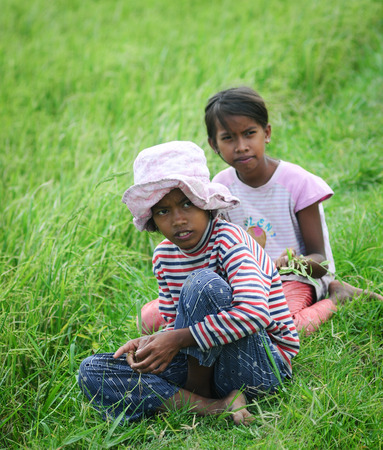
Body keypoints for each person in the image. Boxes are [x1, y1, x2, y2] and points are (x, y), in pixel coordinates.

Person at [78, 141, 300, 425]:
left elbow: (255, 313)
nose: (178, 220)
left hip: (260, 364)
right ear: (153, 220)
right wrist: (155, 341)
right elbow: (177, 323)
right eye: (163, 211)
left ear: (206, 204)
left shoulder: (229, 240)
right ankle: (213, 405)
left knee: (202, 283)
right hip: (207, 362)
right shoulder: (163, 256)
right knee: (92, 369)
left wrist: (176, 338)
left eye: (186, 203)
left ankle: (190, 393)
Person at [204, 86, 383, 335]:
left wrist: (293, 265)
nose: (241, 146)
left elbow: (321, 261)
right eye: (228, 138)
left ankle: (337, 297)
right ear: (214, 145)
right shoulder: (220, 188)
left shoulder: (297, 183)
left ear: (266, 133)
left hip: (298, 279)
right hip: (246, 283)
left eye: (249, 133)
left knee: (277, 329)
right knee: (162, 317)